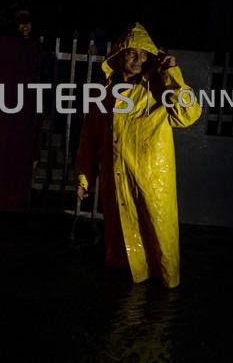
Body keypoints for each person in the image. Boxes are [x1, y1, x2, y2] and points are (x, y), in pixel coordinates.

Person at [74, 22, 202, 288]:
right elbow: (90, 137)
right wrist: (84, 176)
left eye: (144, 53)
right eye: (132, 52)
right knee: (121, 242)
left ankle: (162, 296)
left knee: (159, 242)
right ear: (119, 55)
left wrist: (172, 74)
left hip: (153, 182)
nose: (138, 59)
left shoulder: (160, 86)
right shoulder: (104, 91)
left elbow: (188, 115)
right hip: (117, 180)